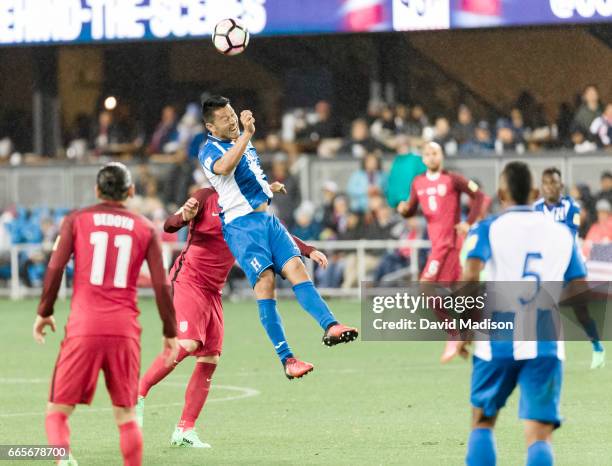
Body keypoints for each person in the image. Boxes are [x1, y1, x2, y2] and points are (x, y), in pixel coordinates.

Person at [137, 188, 326, 447]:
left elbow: (275, 231)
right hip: (189, 279)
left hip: (214, 289)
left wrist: (306, 249)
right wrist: (184, 216)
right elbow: (169, 226)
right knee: (189, 343)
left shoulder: (246, 202)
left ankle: (184, 430)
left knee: (210, 357)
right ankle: (137, 393)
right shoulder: (204, 197)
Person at [198, 96, 358, 379]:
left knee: (298, 268)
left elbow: (247, 177)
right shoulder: (209, 149)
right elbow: (223, 168)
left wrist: (267, 188)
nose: (232, 119)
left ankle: (330, 325)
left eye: (232, 113)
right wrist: (246, 134)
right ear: (211, 127)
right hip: (241, 227)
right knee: (266, 284)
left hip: (266, 219)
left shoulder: (244, 144)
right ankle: (287, 359)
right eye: (224, 118)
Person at [33, 162, 179, 466]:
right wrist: (170, 331)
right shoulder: (145, 228)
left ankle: (63, 461)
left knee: (57, 412)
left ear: (97, 190)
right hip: (125, 330)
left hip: (83, 327)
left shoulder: (76, 220)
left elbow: (56, 267)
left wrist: (45, 311)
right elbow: (162, 284)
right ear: (131, 191)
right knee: (126, 416)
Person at [457, 161, 588, 466]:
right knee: (539, 435)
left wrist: (463, 330)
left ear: (501, 193)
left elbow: (470, 276)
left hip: (497, 336)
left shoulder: (487, 228)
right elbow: (580, 287)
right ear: (533, 192)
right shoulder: (561, 234)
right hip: (545, 337)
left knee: (483, 421)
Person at [397, 142, 484, 361]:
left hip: (451, 244)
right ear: (423, 159)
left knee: (427, 287)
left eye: (435, 152)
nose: (432, 157)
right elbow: (412, 210)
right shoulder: (418, 182)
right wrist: (405, 210)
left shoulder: (453, 179)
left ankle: (456, 335)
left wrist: (469, 222)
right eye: (427, 154)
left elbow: (480, 196)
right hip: (436, 245)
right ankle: (467, 333)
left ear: (441, 155)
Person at [533, 167, 605, 368]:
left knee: (581, 311)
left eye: (553, 182)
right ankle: (547, 353)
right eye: (545, 183)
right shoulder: (536, 208)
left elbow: (568, 233)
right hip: (547, 262)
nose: (549, 187)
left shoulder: (571, 206)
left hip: (570, 260)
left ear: (560, 185)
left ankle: (597, 345)